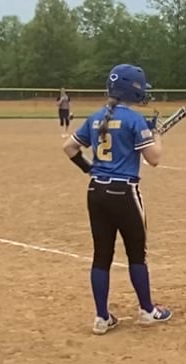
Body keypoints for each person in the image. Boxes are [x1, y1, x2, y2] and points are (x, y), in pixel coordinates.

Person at [62, 65, 173, 334]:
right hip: (124, 193)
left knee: (102, 256)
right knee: (136, 254)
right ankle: (147, 310)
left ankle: (102, 317)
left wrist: (90, 169)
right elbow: (154, 158)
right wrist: (156, 135)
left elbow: (69, 147)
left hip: (96, 192)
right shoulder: (134, 120)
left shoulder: (96, 117)